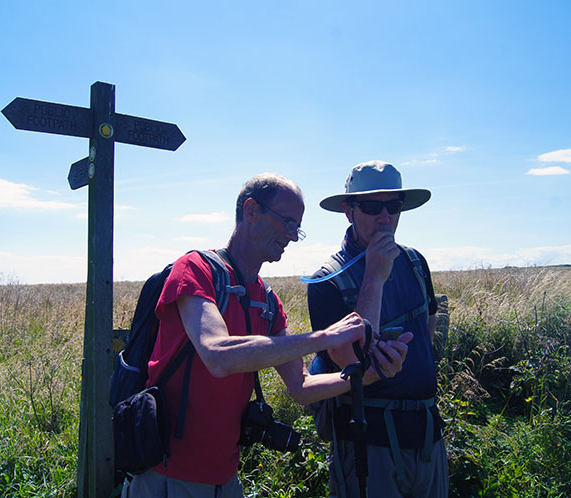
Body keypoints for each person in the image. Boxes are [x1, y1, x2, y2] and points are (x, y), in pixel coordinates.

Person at [123, 173, 410, 498]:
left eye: (296, 227)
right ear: (250, 210)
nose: (292, 236)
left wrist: (365, 378)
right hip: (167, 477)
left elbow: (301, 387)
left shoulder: (267, 301)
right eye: (287, 222)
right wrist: (324, 337)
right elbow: (217, 354)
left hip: (226, 478)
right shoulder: (195, 270)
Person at [307, 160, 448, 498]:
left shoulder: (414, 262)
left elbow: (426, 334)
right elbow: (351, 364)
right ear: (349, 211)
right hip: (369, 444)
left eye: (394, 206)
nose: (385, 217)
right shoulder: (327, 280)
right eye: (372, 207)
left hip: (427, 435)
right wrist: (374, 275)